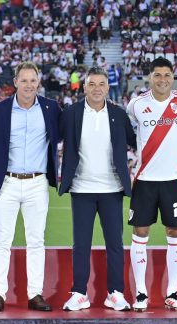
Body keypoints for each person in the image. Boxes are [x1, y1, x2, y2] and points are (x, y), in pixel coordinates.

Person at [0, 61, 61, 312]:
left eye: (33, 80)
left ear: (39, 83)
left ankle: (35, 293)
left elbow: (62, 135)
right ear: (15, 82)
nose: (29, 85)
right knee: (2, 239)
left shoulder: (51, 108)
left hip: (37, 182)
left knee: (36, 241)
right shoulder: (0, 110)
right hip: (7, 182)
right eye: (24, 80)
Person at [59, 67, 136, 311]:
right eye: (92, 84)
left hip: (112, 189)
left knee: (115, 243)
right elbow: (53, 138)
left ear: (107, 87)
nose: (97, 88)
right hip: (81, 189)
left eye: (101, 84)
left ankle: (115, 293)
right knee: (80, 244)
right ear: (84, 88)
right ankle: (79, 293)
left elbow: (138, 141)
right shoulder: (71, 113)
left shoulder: (118, 114)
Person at [125, 57, 177, 312]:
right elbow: (126, 132)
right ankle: (141, 293)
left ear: (172, 77)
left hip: (173, 181)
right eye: (157, 75)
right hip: (144, 181)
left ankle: (172, 292)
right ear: (150, 77)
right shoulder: (136, 105)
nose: (162, 79)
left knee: (175, 233)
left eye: (167, 75)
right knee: (140, 234)